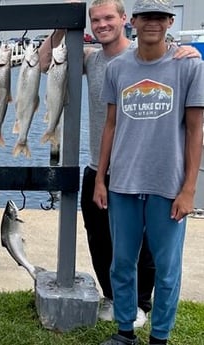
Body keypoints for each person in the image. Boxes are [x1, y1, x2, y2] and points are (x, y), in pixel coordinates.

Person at [38, 0, 201, 328]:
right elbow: (44, 64)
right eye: (95, 20)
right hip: (100, 168)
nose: (101, 25)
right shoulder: (92, 60)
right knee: (101, 240)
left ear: (125, 20)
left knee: (151, 251)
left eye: (108, 18)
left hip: (149, 173)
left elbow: (192, 121)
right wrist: (59, 25)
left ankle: (141, 303)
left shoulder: (165, 60)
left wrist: (189, 50)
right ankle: (115, 300)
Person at [94, 0, 204, 344]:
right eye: (146, 17)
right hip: (123, 183)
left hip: (167, 185)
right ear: (135, 22)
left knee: (168, 270)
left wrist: (189, 189)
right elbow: (110, 125)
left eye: (160, 17)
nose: (152, 23)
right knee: (121, 264)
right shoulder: (117, 68)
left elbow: (196, 130)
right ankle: (125, 332)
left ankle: (160, 337)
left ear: (170, 21)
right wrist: (101, 177)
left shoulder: (189, 66)